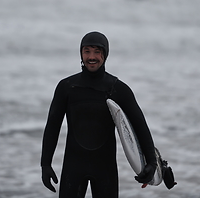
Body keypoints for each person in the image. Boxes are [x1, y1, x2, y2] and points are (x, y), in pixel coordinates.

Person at [41, 31, 157, 198]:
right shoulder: (66, 87)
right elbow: (53, 125)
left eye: (97, 51)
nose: (91, 57)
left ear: (105, 54)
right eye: (87, 51)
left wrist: (151, 162)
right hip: (73, 166)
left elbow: (139, 125)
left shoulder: (118, 89)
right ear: (81, 53)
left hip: (105, 168)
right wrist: (45, 164)